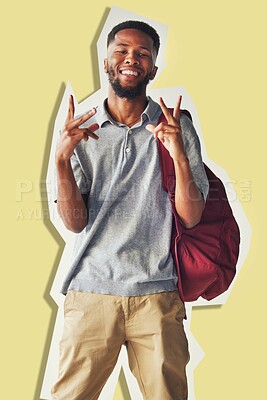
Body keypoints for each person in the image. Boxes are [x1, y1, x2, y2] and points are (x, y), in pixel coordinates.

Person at [51, 20, 209, 400]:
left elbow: (192, 216)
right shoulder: (82, 130)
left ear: (153, 69)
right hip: (91, 291)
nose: (131, 59)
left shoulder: (175, 126)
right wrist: (60, 160)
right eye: (121, 50)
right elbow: (74, 224)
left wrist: (178, 156)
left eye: (142, 54)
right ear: (106, 61)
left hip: (157, 293)